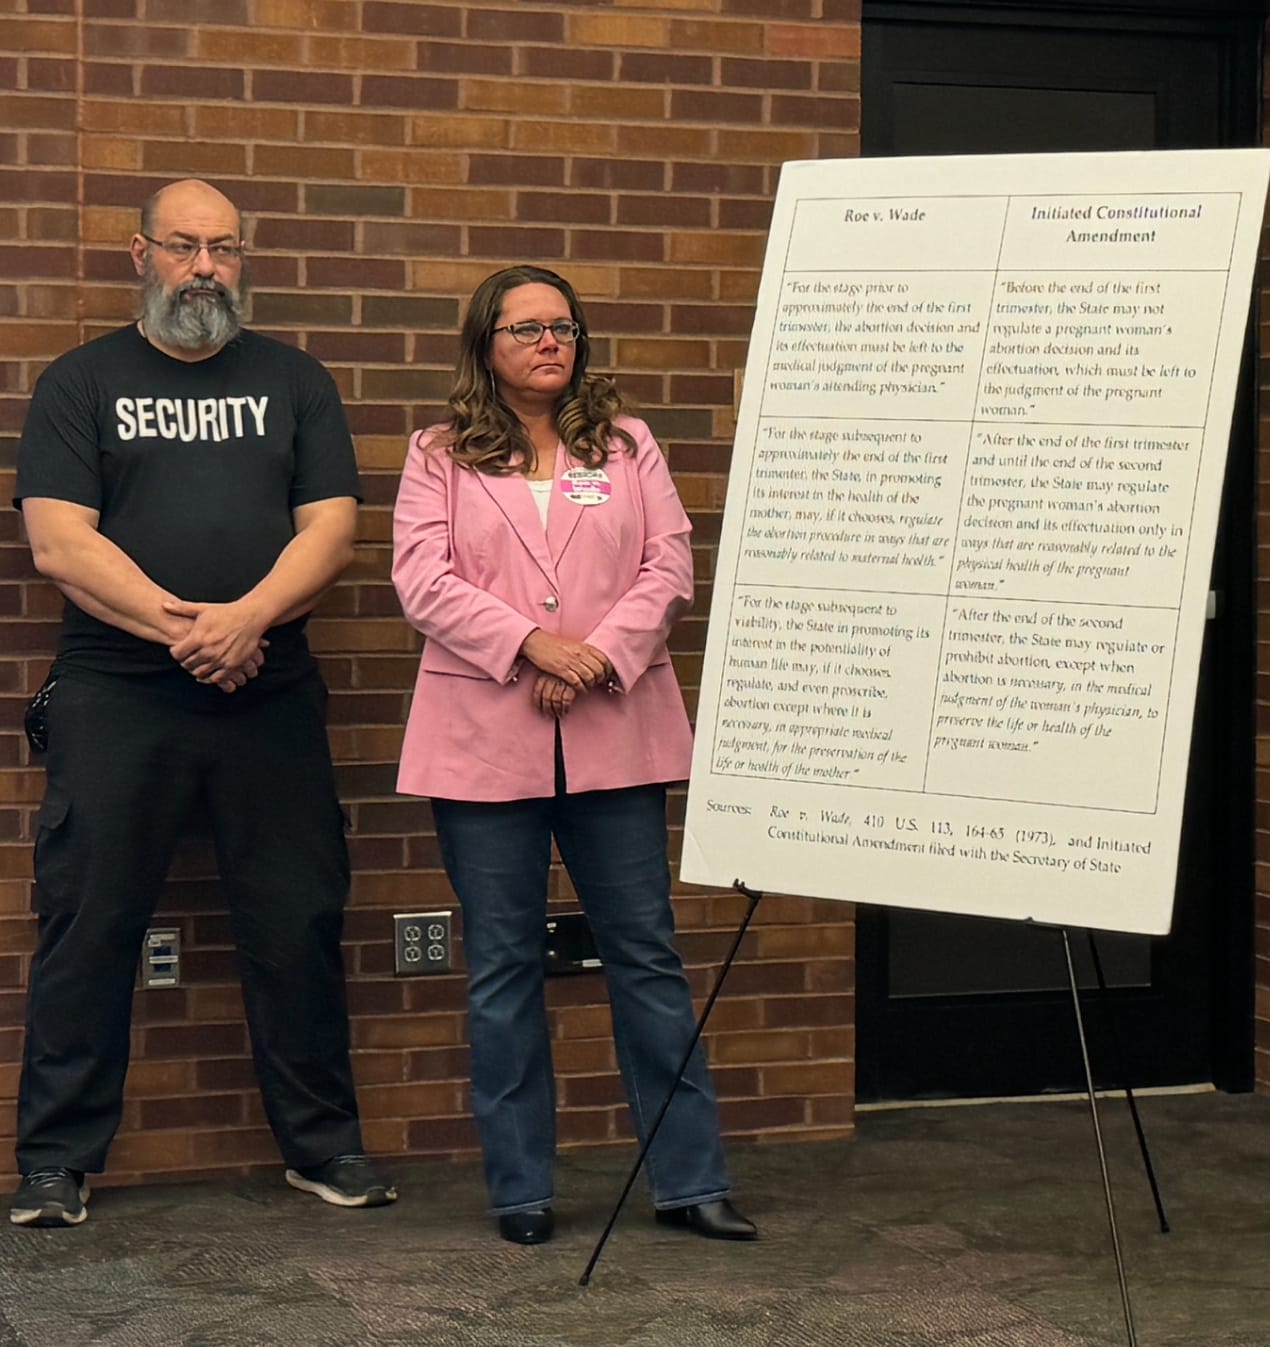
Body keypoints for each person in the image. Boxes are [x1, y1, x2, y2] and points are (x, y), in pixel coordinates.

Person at [10, 178, 397, 1227]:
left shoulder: (294, 380)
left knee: (298, 918)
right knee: (88, 920)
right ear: (140, 254)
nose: (205, 267)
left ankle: (323, 1146)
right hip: (115, 691)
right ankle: (55, 1162)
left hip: (267, 688)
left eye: (223, 248)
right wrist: (191, 629)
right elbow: (58, 541)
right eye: (183, 246)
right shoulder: (81, 383)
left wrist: (248, 624)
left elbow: (330, 531)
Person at [392, 265, 756, 1246]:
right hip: (482, 743)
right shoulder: (438, 455)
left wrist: (591, 656)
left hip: (614, 733)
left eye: (563, 327)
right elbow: (420, 579)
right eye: (525, 329)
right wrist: (528, 645)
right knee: (502, 969)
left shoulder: (628, 445)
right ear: (486, 346)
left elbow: (668, 564)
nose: (549, 342)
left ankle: (691, 1182)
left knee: (645, 957)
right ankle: (521, 1193)